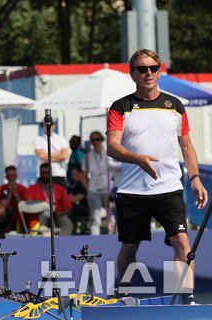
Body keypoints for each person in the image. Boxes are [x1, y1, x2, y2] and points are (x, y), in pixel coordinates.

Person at [107, 48, 208, 302]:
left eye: (153, 68)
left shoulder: (174, 105)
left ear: (159, 71)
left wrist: (195, 178)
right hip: (133, 191)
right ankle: (127, 295)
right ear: (133, 74)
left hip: (169, 188)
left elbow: (187, 147)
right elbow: (112, 147)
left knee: (182, 243)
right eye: (142, 69)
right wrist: (138, 159)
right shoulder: (121, 107)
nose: (148, 73)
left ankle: (185, 297)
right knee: (130, 247)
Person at [25, 163, 74, 235]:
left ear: (51, 173)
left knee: (67, 224)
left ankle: (63, 243)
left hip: (57, 215)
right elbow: (28, 204)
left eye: (47, 173)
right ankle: (47, 239)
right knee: (42, 220)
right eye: (43, 173)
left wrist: (59, 214)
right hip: (40, 215)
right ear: (40, 174)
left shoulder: (60, 189)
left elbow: (68, 208)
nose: (45, 175)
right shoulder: (32, 188)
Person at [83, 131, 113, 235]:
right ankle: (95, 241)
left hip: (107, 189)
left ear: (101, 140)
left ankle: (113, 239)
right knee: (95, 218)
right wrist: (87, 188)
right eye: (93, 140)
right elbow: (83, 174)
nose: (95, 142)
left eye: (97, 139)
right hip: (93, 190)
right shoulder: (87, 156)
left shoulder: (108, 154)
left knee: (111, 218)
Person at [33, 119, 69, 187]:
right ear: (43, 126)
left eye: (49, 124)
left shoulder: (61, 138)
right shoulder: (38, 139)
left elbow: (65, 155)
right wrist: (59, 153)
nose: (47, 126)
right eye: (45, 124)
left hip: (59, 174)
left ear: (53, 126)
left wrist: (47, 156)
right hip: (44, 175)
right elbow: (40, 155)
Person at [0, 165, 28, 233]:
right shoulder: (1, 188)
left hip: (20, 217)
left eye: (14, 176)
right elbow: (2, 206)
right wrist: (10, 192)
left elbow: (24, 206)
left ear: (17, 176)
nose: (12, 178)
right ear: (6, 177)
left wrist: (15, 193)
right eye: (10, 176)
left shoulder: (23, 189)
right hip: (5, 218)